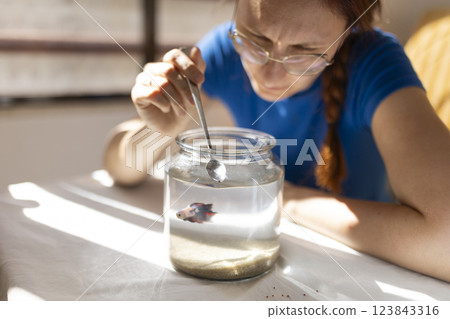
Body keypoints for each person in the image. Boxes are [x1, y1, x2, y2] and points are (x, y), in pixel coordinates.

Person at [104, 0, 450, 282]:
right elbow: (119, 169)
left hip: (356, 269)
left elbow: (444, 242)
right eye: (257, 41)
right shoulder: (225, 47)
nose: (270, 74)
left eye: (305, 53)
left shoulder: (374, 62)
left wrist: (272, 195)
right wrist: (159, 131)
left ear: (345, 35)